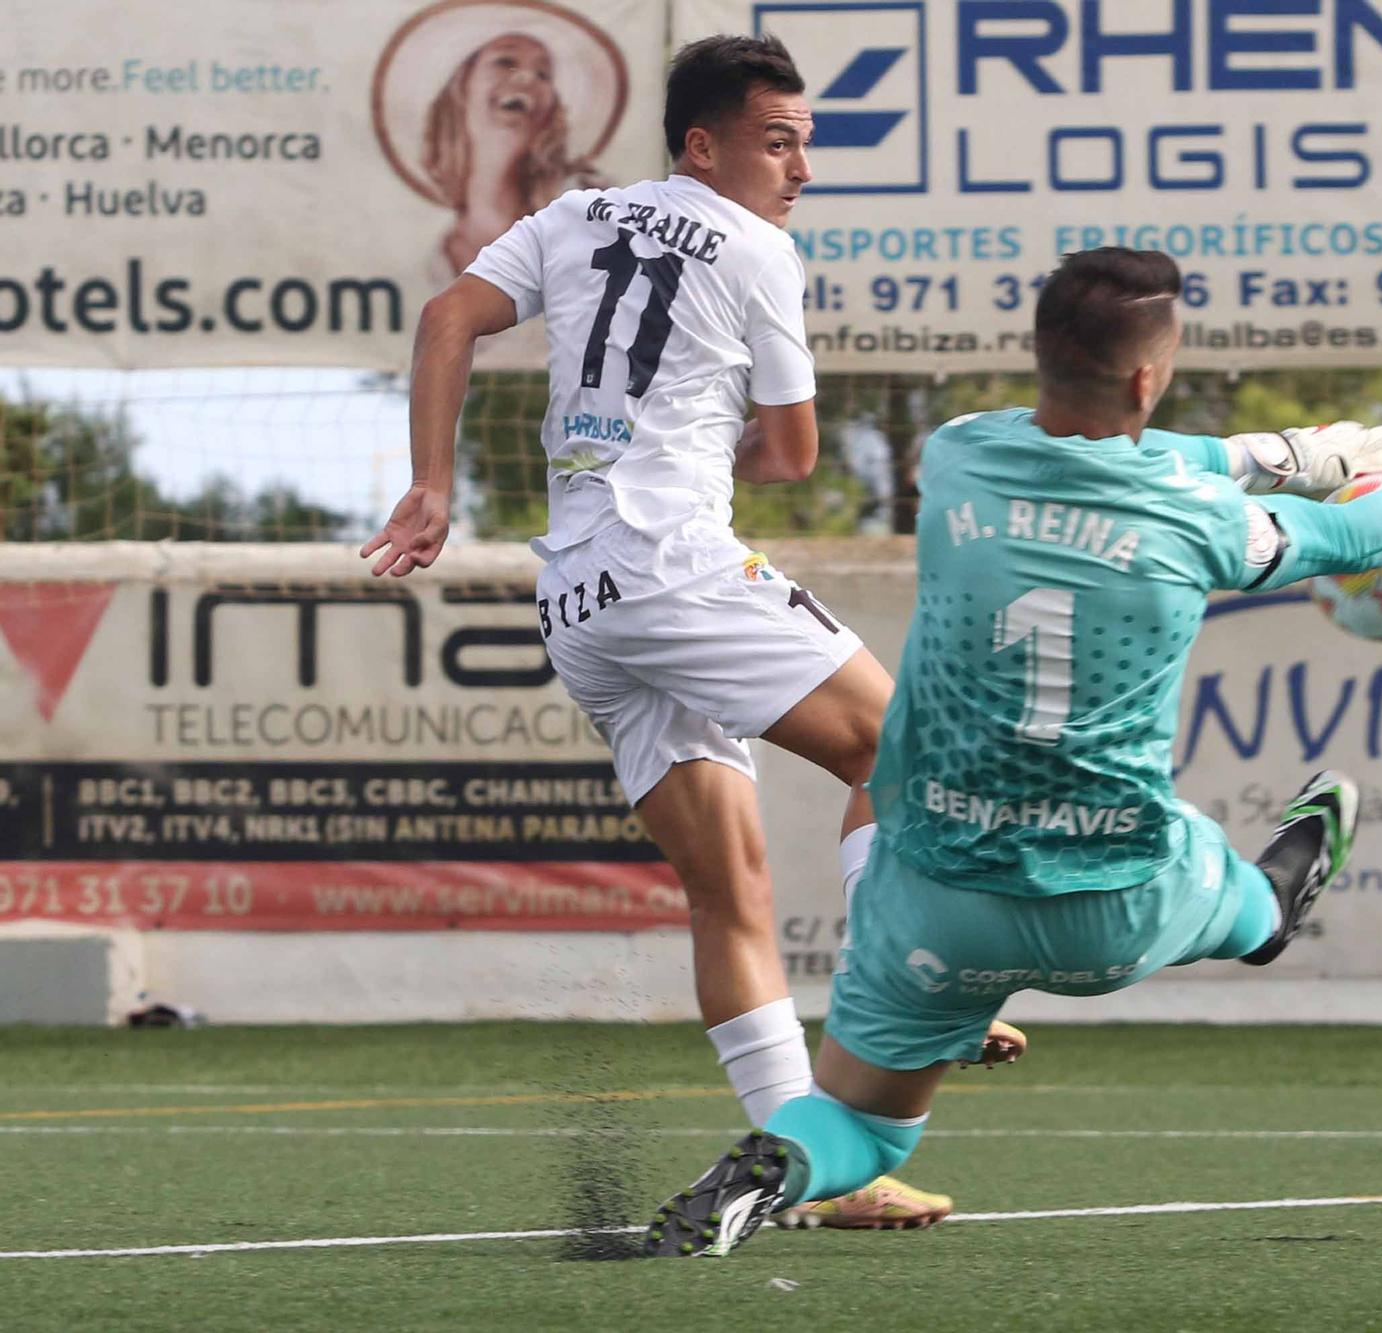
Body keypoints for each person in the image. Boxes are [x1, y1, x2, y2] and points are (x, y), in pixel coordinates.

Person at [642, 247, 1382, 1258]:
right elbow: (1352, 537)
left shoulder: (958, 456)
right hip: (1115, 897)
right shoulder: (1196, 521)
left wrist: (1277, 449)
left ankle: (770, 1168)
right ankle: (1273, 890)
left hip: (935, 897)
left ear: (1044, 354)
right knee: (1258, 916)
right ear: (1148, 377)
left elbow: (1110, 455)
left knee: (866, 1125)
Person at [363, 32, 992, 1231]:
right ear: (701, 146)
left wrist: (431, 485)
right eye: (776, 141)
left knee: (731, 889)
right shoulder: (759, 247)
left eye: (805, 143)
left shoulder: (572, 213)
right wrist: (722, 451)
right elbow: (797, 453)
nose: (798, 166)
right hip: (672, 563)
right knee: (904, 749)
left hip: (580, 602)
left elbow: (448, 317)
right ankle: (903, 995)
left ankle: (815, 1174)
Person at [423, 32, 608, 275]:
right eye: (505, 62)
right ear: (462, 88)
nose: (526, 77)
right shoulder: (433, 260)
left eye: (543, 74)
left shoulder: (585, 220)